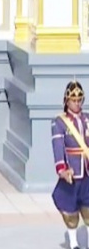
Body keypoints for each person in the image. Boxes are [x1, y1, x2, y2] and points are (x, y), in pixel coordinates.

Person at [51, 81, 89, 249]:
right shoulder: (60, 122)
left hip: (87, 170)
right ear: (66, 101)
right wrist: (62, 168)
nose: (77, 103)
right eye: (74, 100)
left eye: (80, 99)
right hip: (72, 172)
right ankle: (73, 243)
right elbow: (58, 146)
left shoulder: (87, 119)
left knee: (88, 210)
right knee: (70, 209)